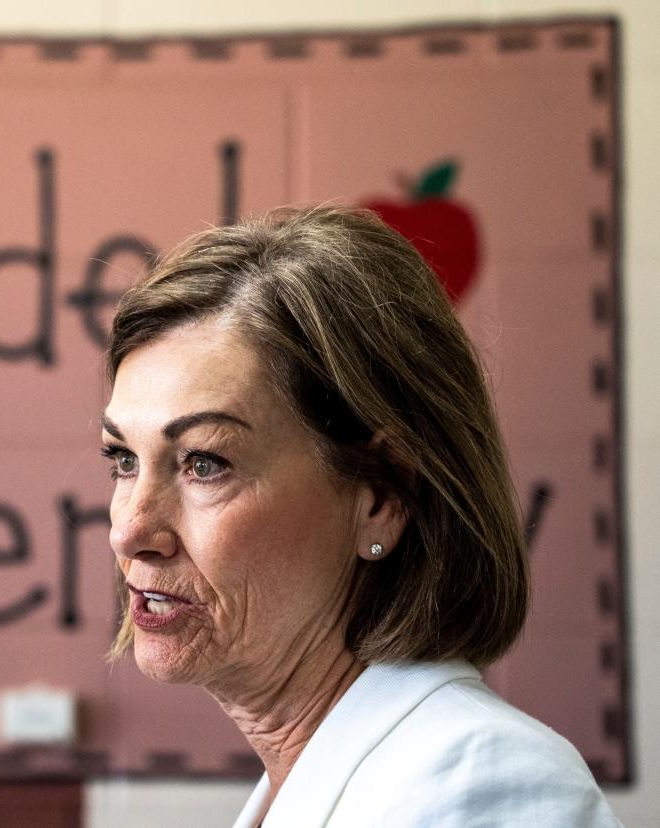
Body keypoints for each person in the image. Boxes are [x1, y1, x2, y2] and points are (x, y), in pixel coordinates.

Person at [99, 204, 621, 826]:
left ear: (381, 497)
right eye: (123, 460)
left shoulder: (480, 784)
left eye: (204, 463)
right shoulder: (317, 785)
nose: (130, 531)